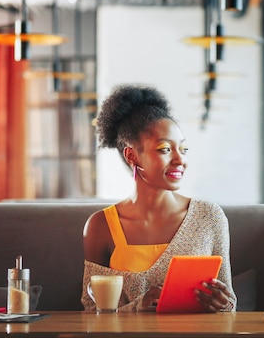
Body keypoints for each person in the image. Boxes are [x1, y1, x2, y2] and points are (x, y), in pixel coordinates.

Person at [81, 84, 236, 312]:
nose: (179, 160)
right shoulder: (99, 226)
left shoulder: (209, 217)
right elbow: (90, 311)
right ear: (132, 155)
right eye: (165, 149)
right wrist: (138, 306)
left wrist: (224, 304)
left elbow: (229, 304)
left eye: (183, 150)